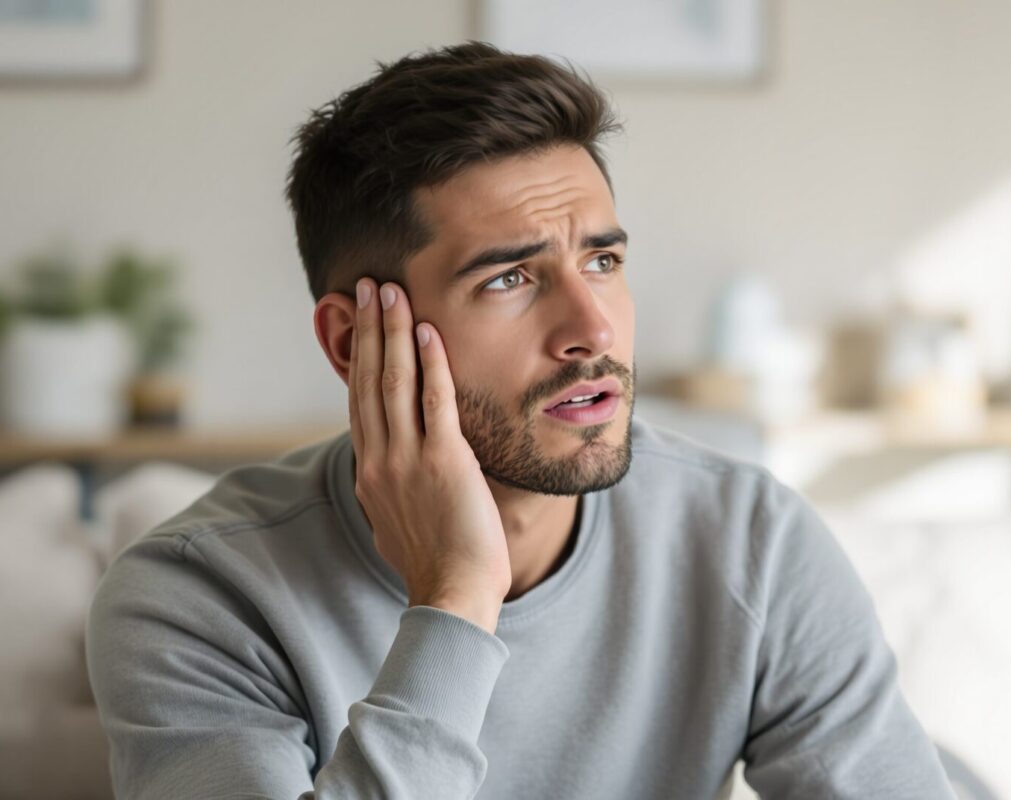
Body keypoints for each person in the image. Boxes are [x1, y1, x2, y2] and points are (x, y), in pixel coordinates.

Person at [86, 41, 957, 799]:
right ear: (354, 342)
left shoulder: (751, 543)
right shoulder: (195, 598)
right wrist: (458, 599)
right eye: (509, 278)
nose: (594, 330)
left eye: (603, 261)